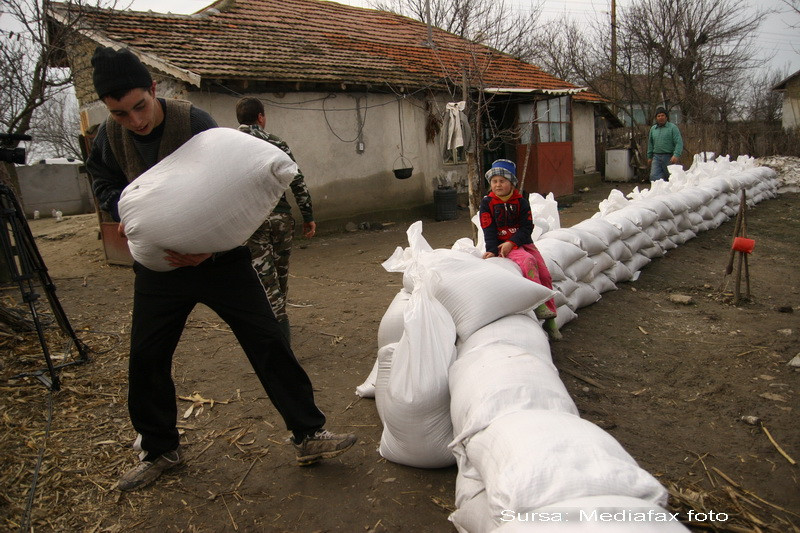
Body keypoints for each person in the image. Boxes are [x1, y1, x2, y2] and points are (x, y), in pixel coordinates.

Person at [86, 46, 355, 492]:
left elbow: (231, 188)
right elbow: (103, 185)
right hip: (160, 269)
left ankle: (308, 433)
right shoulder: (107, 140)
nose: (135, 121)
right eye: (120, 114)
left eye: (140, 106)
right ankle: (160, 450)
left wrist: (206, 248)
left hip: (219, 261)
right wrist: (136, 213)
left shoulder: (192, 123)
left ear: (154, 90)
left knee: (266, 338)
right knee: (147, 356)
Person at [236, 97, 315, 345]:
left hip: (252, 221)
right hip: (281, 219)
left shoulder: (231, 145)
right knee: (280, 277)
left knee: (263, 281)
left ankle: (278, 339)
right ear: (261, 117)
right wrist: (308, 216)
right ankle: (280, 333)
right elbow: (297, 181)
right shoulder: (277, 143)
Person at [479, 159, 561, 341]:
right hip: (503, 246)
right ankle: (538, 304)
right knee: (527, 262)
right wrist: (492, 250)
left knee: (546, 275)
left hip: (523, 243)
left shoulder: (521, 202)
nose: (498, 185)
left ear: (511, 183)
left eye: (502, 181)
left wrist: (513, 242)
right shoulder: (487, 204)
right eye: (494, 181)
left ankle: (551, 319)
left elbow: (527, 228)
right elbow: (488, 229)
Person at [646, 107, 684, 182]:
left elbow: (679, 142)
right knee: (654, 177)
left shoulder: (672, 128)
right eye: (658, 116)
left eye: (662, 115)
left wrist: (676, 155)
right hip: (656, 157)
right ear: (656, 118)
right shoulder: (653, 129)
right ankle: (659, 193)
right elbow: (650, 143)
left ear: (666, 117)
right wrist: (649, 156)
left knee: (671, 177)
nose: (661, 117)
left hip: (669, 157)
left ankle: (671, 193)